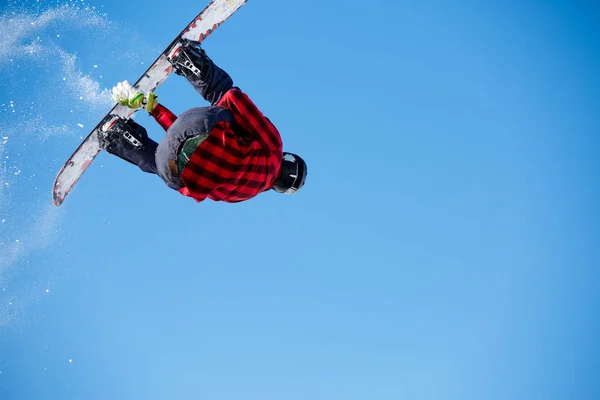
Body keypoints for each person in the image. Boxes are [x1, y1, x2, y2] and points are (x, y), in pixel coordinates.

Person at [99, 39, 307, 203]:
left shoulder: (274, 150)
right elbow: (182, 146)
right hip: (170, 166)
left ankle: (188, 60)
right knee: (174, 173)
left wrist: (223, 94)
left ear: (288, 159)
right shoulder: (241, 196)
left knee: (228, 100)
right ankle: (118, 136)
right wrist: (151, 107)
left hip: (200, 126)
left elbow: (237, 103)